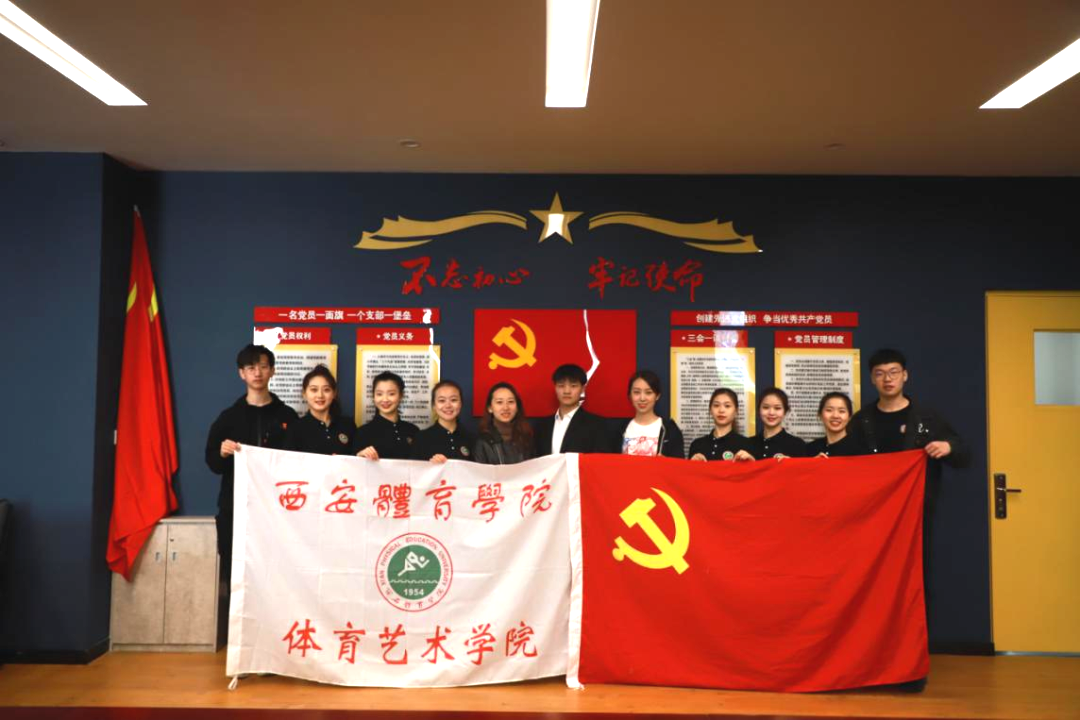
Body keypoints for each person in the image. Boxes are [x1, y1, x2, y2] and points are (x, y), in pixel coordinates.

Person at [846, 348, 970, 693]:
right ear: (872, 379)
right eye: (880, 373)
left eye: (894, 372)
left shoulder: (926, 418)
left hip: (914, 519)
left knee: (912, 588)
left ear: (905, 375)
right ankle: (869, 661)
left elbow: (964, 452)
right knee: (870, 588)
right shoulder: (863, 420)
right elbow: (845, 466)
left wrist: (948, 447)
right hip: (870, 521)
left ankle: (910, 666)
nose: (887, 379)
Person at [205, 344, 298, 584]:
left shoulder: (287, 416)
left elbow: (298, 463)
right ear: (241, 373)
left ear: (272, 371)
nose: (257, 373)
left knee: (276, 573)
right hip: (236, 507)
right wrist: (222, 453)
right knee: (235, 571)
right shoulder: (229, 417)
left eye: (263, 367)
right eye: (251, 367)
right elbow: (212, 463)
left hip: (277, 509)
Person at [533, 363, 610, 455]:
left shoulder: (596, 425)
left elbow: (601, 460)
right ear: (555, 387)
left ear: (583, 389)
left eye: (573, 386)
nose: (567, 391)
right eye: (561, 386)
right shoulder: (542, 426)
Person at [283, 365, 353, 455]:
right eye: (314, 390)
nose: (320, 395)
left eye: (326, 390)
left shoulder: (348, 425)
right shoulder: (295, 429)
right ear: (304, 394)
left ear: (334, 394)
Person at [350, 371, 419, 460]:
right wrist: (359, 456)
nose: (385, 399)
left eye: (391, 394)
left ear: (401, 395)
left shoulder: (413, 430)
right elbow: (352, 465)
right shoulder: (363, 433)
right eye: (379, 394)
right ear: (373, 396)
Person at [618, 370, 684, 458]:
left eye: (648, 392)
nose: (642, 398)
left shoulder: (670, 430)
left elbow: (679, 464)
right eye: (636, 392)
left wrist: (667, 463)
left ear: (657, 396)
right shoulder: (619, 430)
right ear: (630, 395)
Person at [411, 380, 475, 462]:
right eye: (442, 400)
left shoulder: (472, 438)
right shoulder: (421, 438)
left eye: (453, 400)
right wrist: (430, 465)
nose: (448, 405)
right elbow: (413, 468)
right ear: (434, 405)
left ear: (461, 403)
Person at [473, 382, 535, 464]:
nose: (506, 407)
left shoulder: (527, 437)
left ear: (517, 407)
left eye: (510, 401)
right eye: (499, 402)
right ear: (490, 408)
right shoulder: (483, 442)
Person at [688, 388, 752, 461]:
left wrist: (751, 463)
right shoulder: (697, 445)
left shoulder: (746, 445)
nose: (721, 410)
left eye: (727, 406)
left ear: (736, 411)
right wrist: (692, 464)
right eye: (716, 405)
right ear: (710, 410)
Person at [743, 387, 807, 460]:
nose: (771, 413)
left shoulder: (797, 445)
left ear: (785, 411)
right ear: (759, 410)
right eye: (766, 407)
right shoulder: (747, 444)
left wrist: (790, 464)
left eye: (777, 408)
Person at [805, 392, 862, 457]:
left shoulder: (860, 450)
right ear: (820, 415)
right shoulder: (810, 449)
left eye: (841, 411)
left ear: (850, 417)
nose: (835, 416)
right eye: (829, 410)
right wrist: (813, 462)